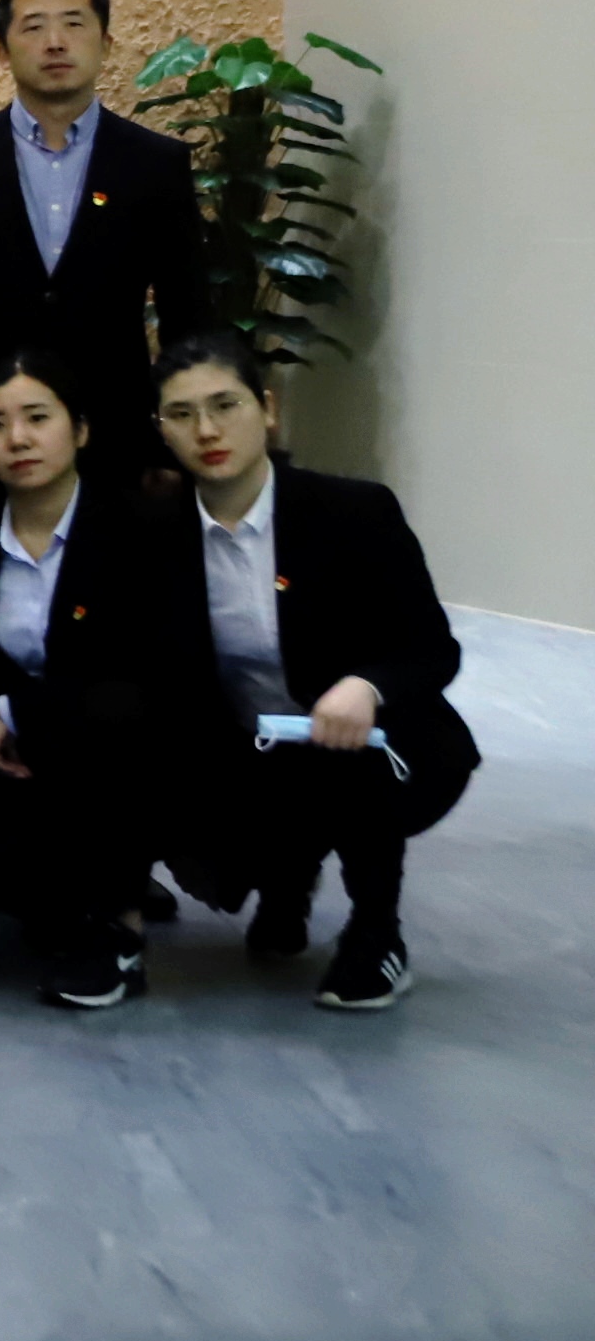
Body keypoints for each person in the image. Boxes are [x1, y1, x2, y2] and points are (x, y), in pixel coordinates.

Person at [152, 334, 478, 1010]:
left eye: (225, 405)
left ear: (267, 409)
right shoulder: (154, 534)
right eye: (181, 414)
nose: (207, 430)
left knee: (348, 748)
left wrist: (366, 686)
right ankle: (285, 876)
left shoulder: (355, 513)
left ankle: (377, 933)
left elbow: (431, 648)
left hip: (367, 740)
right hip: (247, 748)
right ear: (161, 429)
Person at [0, 347, 201, 1010]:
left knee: (112, 711)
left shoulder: (142, 529)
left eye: (37, 418)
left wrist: (21, 711)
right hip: (12, 756)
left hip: (121, 750)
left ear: (79, 429)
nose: (17, 439)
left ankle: (121, 932)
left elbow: (154, 670)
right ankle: (50, 897)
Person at [0, 0, 208, 483]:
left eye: (73, 23)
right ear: (2, 52)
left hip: (120, 434)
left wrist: (173, 444)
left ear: (106, 43)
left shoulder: (155, 164)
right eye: (33, 26)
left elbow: (187, 313)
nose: (54, 42)